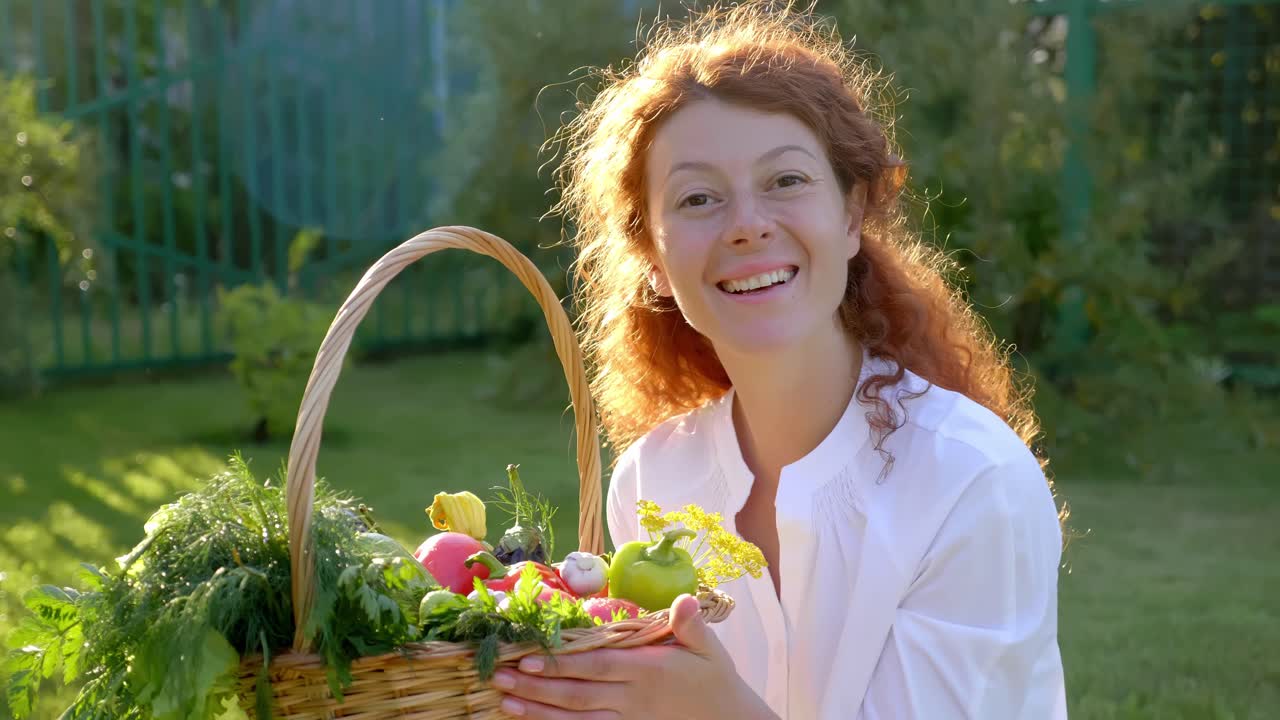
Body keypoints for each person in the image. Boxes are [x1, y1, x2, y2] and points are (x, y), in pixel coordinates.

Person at [489, 2, 1068, 718]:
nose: (747, 225)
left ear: (853, 215)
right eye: (699, 198)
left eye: (786, 181)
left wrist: (717, 707)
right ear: (653, 261)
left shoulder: (971, 481)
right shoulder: (651, 479)